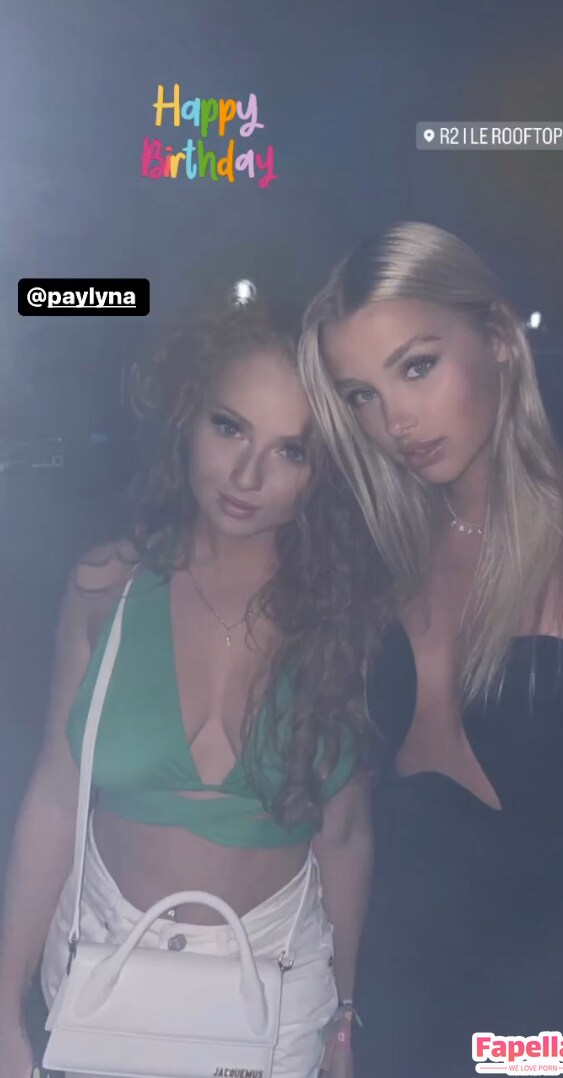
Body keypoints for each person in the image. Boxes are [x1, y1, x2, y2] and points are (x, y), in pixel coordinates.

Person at [0, 288, 382, 1078]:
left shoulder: (345, 618)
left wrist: (344, 1020)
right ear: (187, 418)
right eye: (229, 427)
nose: (246, 474)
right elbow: (55, 795)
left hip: (279, 979)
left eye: (291, 450)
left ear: (325, 471)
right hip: (104, 966)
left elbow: (344, 836)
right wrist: (2, 1000)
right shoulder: (107, 587)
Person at [298, 222, 563, 1077]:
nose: (394, 420)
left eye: (417, 367)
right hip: (396, 1008)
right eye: (361, 395)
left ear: (498, 337)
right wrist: (344, 1017)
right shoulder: (381, 560)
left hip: (553, 1025)